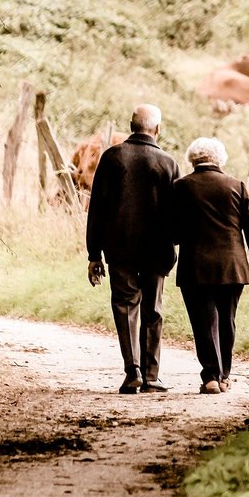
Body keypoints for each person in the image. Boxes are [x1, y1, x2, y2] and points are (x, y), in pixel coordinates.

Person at [86, 104, 181, 394]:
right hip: (157, 250)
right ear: (157, 129)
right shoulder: (168, 163)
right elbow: (176, 212)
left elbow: (97, 209)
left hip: (120, 248)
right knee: (153, 309)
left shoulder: (112, 158)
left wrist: (94, 254)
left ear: (131, 125)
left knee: (126, 307)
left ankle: (133, 372)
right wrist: (174, 243)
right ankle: (152, 376)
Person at [172, 137, 249, 394]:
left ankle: (210, 377)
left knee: (203, 322)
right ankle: (224, 375)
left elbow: (174, 231)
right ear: (220, 159)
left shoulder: (181, 187)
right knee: (227, 320)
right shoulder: (237, 186)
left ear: (193, 158)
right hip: (233, 266)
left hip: (195, 267)